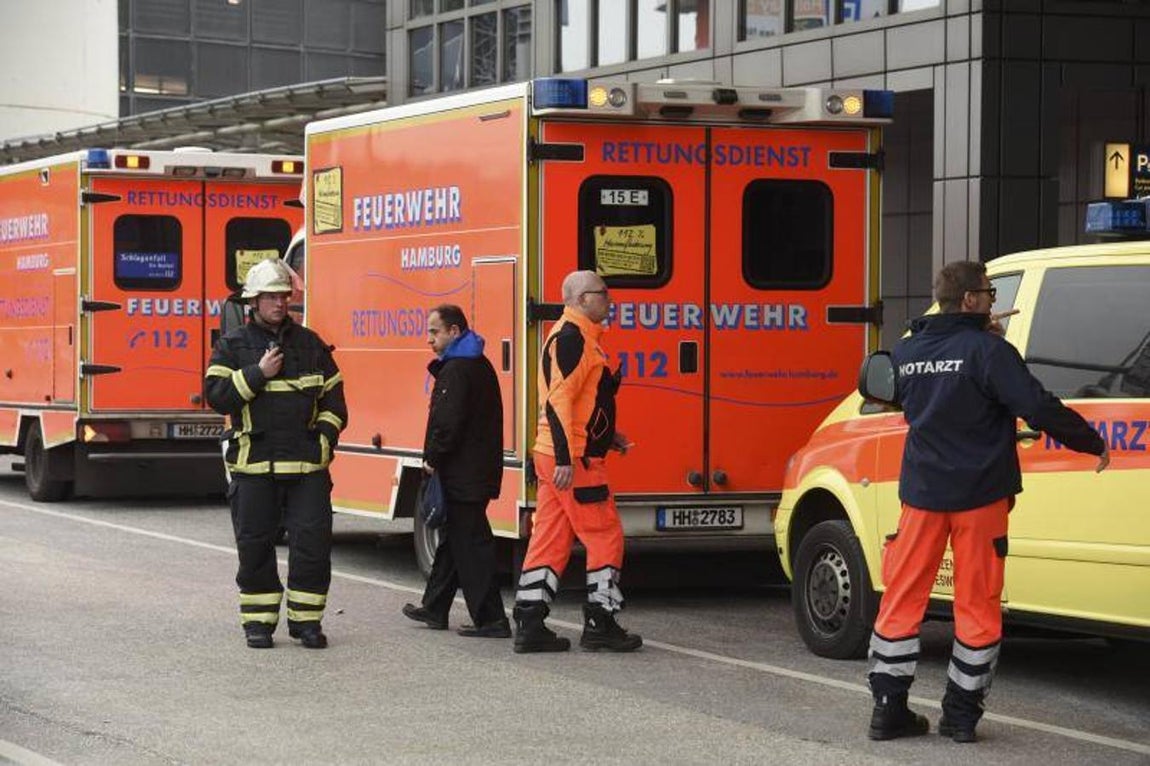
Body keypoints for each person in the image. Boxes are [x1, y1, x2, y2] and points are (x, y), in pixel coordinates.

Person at [866, 260, 1108, 742]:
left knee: (902, 597)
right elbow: (1036, 406)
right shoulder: (989, 352)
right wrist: (1092, 442)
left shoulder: (907, 351)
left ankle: (888, 711)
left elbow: (898, 395)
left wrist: (977, 339)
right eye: (990, 295)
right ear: (971, 300)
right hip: (979, 497)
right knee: (976, 605)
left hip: (921, 497)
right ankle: (960, 717)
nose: (994, 302)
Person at [205, 258, 347, 650]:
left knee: (312, 545)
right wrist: (257, 374)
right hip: (254, 466)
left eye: (284, 295)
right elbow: (216, 397)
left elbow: (335, 403)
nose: (280, 303)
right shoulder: (232, 346)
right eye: (271, 296)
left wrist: (323, 440)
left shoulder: (311, 344)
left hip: (307, 467)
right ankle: (259, 622)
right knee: (254, 545)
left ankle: (306, 622)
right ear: (253, 301)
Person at [512, 270, 641, 654]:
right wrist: (570, 458)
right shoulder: (573, 339)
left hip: (557, 455)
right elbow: (557, 401)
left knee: (550, 539)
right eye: (603, 293)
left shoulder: (577, 337)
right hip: (572, 460)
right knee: (605, 535)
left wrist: (608, 436)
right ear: (582, 299)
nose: (610, 299)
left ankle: (530, 621)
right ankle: (600, 621)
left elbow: (579, 402)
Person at [401, 305, 510, 638]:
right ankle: (434, 607)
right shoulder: (476, 364)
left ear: (455, 331)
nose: (429, 339)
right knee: (454, 540)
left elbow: (447, 423)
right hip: (475, 469)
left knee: (472, 546)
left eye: (435, 332)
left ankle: (492, 619)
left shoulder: (457, 369)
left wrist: (432, 457)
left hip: (464, 472)